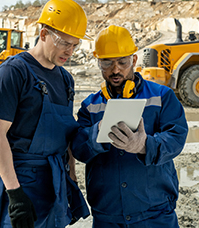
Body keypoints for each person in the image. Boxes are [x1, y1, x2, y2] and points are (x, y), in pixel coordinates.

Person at [0, 0, 91, 228]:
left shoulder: (65, 79)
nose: (70, 51)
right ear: (43, 35)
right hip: (23, 181)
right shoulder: (13, 73)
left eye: (75, 45)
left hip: (55, 182)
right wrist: (15, 194)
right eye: (64, 43)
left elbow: (66, 136)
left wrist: (71, 178)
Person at [71, 25, 188, 228]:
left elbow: (176, 137)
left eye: (122, 62)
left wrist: (144, 146)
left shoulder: (161, 96)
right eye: (107, 63)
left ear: (134, 60)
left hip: (155, 214)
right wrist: (96, 134)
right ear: (98, 62)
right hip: (108, 215)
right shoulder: (90, 106)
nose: (115, 70)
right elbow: (78, 148)